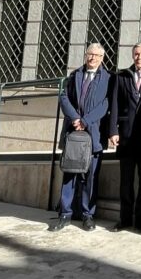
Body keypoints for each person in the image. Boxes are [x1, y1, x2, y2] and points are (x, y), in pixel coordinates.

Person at [51, 43, 111, 231]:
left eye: (96, 55)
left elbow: (106, 104)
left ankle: (88, 215)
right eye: (89, 54)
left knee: (90, 177)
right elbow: (64, 97)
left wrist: (86, 120)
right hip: (74, 133)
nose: (92, 58)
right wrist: (75, 118)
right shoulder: (75, 75)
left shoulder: (109, 78)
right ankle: (65, 214)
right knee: (70, 174)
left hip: (94, 134)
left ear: (102, 58)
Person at [108, 41, 141, 232]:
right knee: (126, 182)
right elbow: (115, 105)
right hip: (126, 138)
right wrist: (113, 130)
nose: (140, 57)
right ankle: (125, 218)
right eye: (137, 54)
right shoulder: (122, 76)